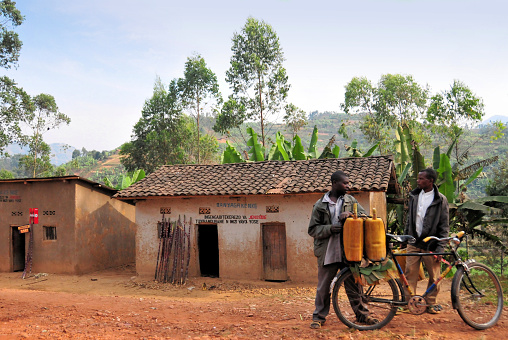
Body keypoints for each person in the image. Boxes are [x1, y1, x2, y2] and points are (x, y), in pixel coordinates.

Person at [308, 170, 375, 329]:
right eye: (345, 183)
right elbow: (312, 230)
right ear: (334, 183)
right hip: (328, 253)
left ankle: (362, 316)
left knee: (354, 285)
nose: (348, 186)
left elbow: (365, 217)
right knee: (324, 287)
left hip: (349, 252)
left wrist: (351, 214)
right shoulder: (320, 205)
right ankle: (319, 317)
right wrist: (330, 229)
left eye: (348, 183)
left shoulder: (351, 200)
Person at [403, 168, 449, 314]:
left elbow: (444, 226)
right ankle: (408, 303)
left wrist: (440, 247)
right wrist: (405, 238)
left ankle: (430, 304)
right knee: (410, 273)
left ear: (430, 181)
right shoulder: (414, 196)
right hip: (413, 242)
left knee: (434, 277)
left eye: (421, 178)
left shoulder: (440, 200)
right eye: (418, 178)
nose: (418, 181)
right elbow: (409, 220)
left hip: (432, 245)